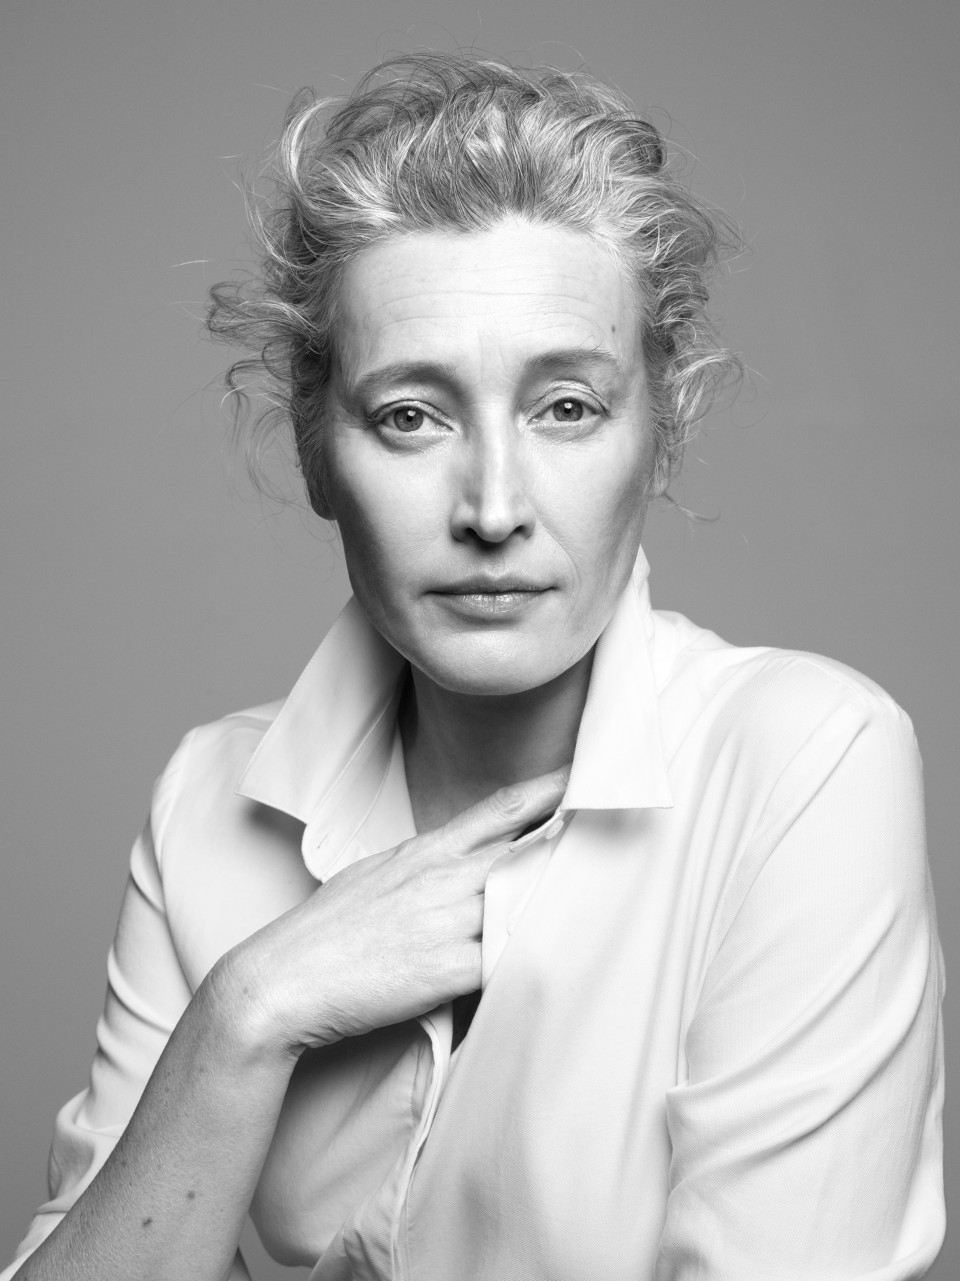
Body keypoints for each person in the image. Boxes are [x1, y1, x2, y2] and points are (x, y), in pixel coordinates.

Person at [3, 52, 945, 1281]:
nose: (494, 508)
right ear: (318, 449)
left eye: (567, 408)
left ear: (659, 432)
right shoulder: (208, 802)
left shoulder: (804, 762)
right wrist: (246, 1014)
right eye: (412, 415)